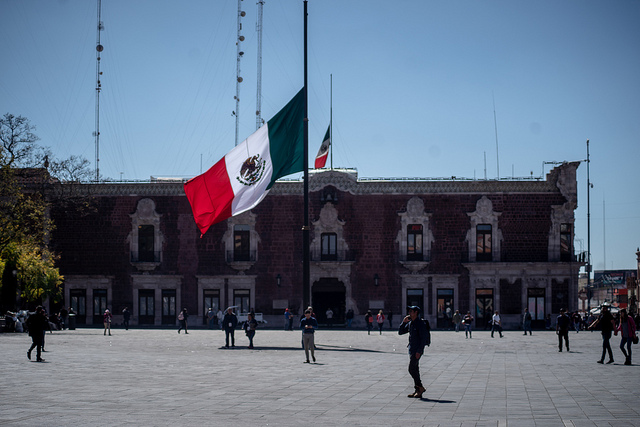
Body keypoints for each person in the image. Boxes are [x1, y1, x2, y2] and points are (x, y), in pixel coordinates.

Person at [398, 306, 431, 398]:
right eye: (409, 311)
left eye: (411, 311)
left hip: (417, 350)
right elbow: (400, 332)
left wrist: (419, 351)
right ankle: (418, 390)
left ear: (416, 312)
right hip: (412, 349)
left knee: (411, 369)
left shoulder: (420, 323)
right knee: (415, 369)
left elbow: (423, 339)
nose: (409, 312)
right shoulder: (410, 323)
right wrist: (404, 322)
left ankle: (420, 387)